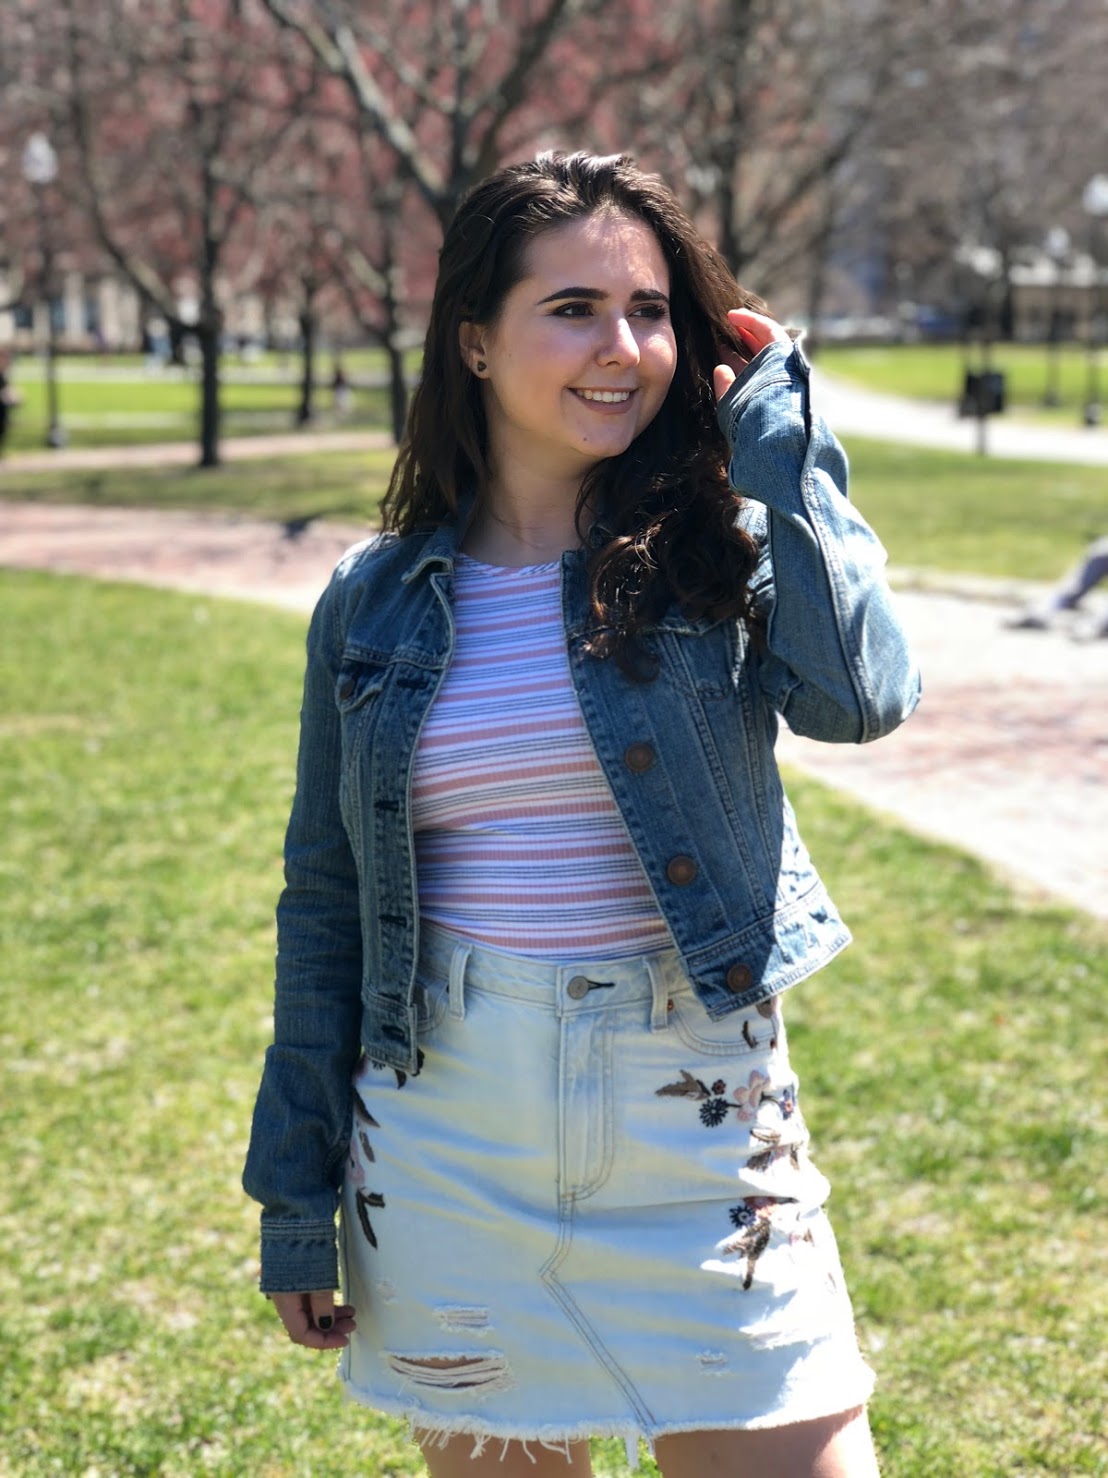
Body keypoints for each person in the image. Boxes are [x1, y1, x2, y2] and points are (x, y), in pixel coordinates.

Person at [243, 151, 920, 1478]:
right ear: (475, 342)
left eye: (649, 310)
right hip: (449, 1133)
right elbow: (326, 897)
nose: (624, 348)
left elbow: (863, 698)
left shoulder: (720, 553)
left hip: (698, 1118)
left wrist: (787, 450)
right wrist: (295, 1191)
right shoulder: (372, 597)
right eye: (573, 310)